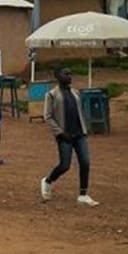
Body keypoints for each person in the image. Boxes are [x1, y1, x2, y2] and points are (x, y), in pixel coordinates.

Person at [40, 68, 99, 207]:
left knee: (85, 162)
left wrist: (84, 128)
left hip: (79, 134)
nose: (69, 76)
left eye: (70, 73)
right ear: (57, 76)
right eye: (65, 74)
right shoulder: (51, 95)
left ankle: (83, 195)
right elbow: (47, 116)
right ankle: (48, 181)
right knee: (64, 165)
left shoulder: (75, 93)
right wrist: (59, 132)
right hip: (64, 136)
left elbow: (79, 112)